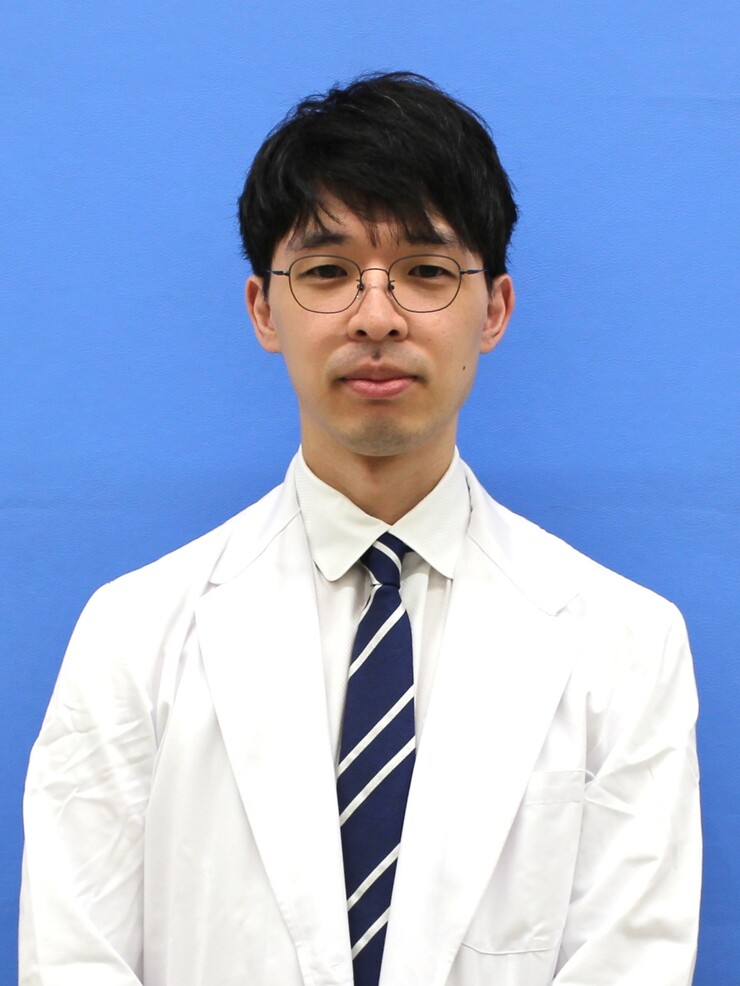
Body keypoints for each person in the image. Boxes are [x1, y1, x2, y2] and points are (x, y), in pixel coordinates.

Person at [19, 72, 701, 986]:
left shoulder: (626, 644)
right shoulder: (133, 634)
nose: (376, 316)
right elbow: (74, 960)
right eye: (327, 272)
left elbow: (631, 963)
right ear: (263, 309)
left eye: (426, 272)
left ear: (495, 310)